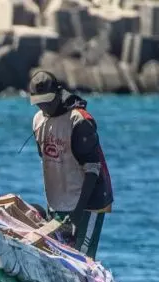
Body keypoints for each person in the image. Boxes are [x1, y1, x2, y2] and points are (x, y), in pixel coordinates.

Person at [29, 70, 114, 258]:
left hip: (86, 203)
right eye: (39, 102)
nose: (44, 106)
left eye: (48, 101)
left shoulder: (78, 121)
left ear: (59, 94)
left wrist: (78, 210)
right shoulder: (38, 120)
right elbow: (46, 158)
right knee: (58, 257)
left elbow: (93, 169)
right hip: (58, 201)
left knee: (81, 260)